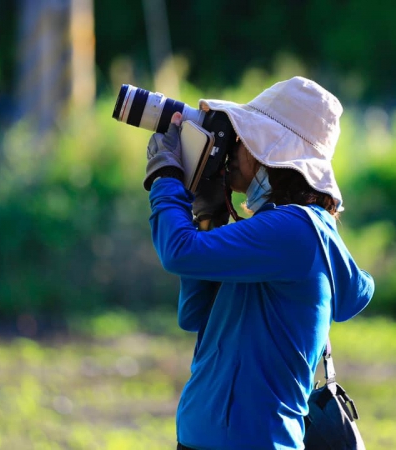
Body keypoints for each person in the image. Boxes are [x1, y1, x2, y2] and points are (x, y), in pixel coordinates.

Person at [143, 76, 375, 449]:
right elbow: (194, 315)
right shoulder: (271, 235)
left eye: (242, 138)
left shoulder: (295, 230)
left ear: (271, 152)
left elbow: (179, 252)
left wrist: (165, 178)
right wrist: (208, 217)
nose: (232, 149)